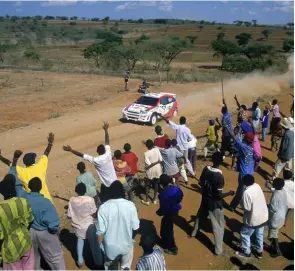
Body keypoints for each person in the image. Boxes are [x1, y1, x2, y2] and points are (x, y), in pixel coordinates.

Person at [9, 150, 65, 270]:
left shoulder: (22, 195)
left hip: (31, 230)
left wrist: (14, 158)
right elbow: (54, 225)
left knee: (34, 257)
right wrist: (50, 144)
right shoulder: (46, 203)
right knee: (56, 257)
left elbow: (12, 172)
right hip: (45, 230)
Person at [190, 151, 235, 256]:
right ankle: (218, 250)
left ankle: (193, 233)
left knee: (200, 216)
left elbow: (201, 183)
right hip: (215, 204)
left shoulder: (206, 169)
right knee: (218, 226)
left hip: (205, 199)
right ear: (221, 162)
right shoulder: (219, 176)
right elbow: (218, 195)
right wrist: (229, 193)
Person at [63, 122, 117, 202]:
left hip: (106, 185)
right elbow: (107, 142)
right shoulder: (108, 154)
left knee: (105, 201)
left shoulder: (96, 160)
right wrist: (106, 130)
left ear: (98, 152)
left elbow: (82, 155)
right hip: (115, 182)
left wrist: (71, 150)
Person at [96, 181, 140, 270]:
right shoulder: (130, 206)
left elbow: (100, 231)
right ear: (123, 192)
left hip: (110, 249)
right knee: (126, 267)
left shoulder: (103, 208)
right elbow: (136, 228)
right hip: (127, 246)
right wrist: (130, 239)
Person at [0, 132, 55, 203]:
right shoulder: (40, 167)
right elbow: (46, 153)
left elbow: (8, 163)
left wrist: (1, 157)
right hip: (47, 201)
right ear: (34, 161)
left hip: (32, 203)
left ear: (24, 163)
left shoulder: (21, 171)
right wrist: (50, 143)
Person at [0, 174, 34, 270]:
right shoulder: (23, 201)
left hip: (10, 250)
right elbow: (30, 219)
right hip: (26, 241)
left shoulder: (1, 209)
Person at [68, 183, 103, 268]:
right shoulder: (90, 200)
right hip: (89, 226)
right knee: (94, 245)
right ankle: (99, 262)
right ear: (85, 191)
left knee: (80, 240)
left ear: (76, 191)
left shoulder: (72, 200)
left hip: (78, 226)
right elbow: (94, 212)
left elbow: (69, 215)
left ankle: (80, 261)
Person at [235, 175, 268, 259]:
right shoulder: (257, 186)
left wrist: (241, 204)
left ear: (244, 183)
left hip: (254, 219)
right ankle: (259, 252)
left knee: (244, 234)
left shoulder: (247, 192)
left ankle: (246, 252)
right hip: (263, 216)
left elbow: (247, 208)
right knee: (259, 234)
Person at [226, 127, 255, 212]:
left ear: (246, 139)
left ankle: (232, 206)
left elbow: (234, 138)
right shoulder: (252, 148)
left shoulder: (243, 147)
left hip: (244, 174)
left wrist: (227, 128)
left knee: (240, 191)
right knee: (247, 190)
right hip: (250, 173)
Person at [157, 174, 184, 256]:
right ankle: (164, 240)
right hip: (175, 209)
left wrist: (159, 212)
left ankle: (173, 248)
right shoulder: (176, 189)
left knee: (168, 230)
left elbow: (162, 209)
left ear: (161, 184)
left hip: (168, 213)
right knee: (165, 225)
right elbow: (181, 197)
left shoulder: (162, 195)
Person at [268, 178, 288, 258]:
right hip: (282, 215)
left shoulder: (275, 195)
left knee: (273, 234)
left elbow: (273, 208)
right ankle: (273, 246)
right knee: (275, 232)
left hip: (275, 218)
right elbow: (276, 190)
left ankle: (277, 250)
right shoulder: (283, 191)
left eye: (273, 183)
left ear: (275, 185)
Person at [142, 139, 163, 206]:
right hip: (158, 170)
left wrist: (155, 162)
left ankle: (147, 200)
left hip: (150, 171)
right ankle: (154, 199)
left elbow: (149, 164)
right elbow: (161, 159)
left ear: (146, 146)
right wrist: (157, 162)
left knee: (147, 185)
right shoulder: (157, 149)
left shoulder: (146, 153)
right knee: (156, 184)